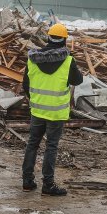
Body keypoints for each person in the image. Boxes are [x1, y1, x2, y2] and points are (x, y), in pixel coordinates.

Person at [21, 23, 83, 195]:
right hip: (56, 113)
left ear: (48, 38)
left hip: (38, 110)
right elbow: (78, 81)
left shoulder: (32, 59)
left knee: (32, 144)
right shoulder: (68, 61)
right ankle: (48, 185)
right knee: (51, 146)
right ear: (64, 40)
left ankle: (27, 181)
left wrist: (36, 99)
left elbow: (25, 85)